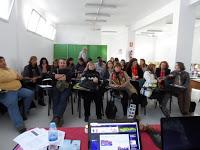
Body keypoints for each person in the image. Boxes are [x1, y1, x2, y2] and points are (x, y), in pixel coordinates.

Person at [0, 56, 33, 133]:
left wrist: (17, 77)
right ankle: (19, 125)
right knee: (12, 104)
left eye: (4, 60)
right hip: (7, 92)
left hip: (19, 89)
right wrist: (15, 76)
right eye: (1, 61)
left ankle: (24, 112)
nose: (4, 62)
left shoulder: (10, 69)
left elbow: (20, 77)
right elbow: (4, 78)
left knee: (30, 93)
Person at [51, 58, 72, 127]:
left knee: (63, 99)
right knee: (55, 99)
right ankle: (58, 117)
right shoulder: (54, 70)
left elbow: (68, 78)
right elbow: (52, 76)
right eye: (61, 63)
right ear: (58, 64)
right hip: (56, 87)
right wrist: (63, 76)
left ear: (66, 64)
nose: (62, 64)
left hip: (66, 87)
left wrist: (57, 77)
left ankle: (56, 118)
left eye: (64, 63)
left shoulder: (69, 70)